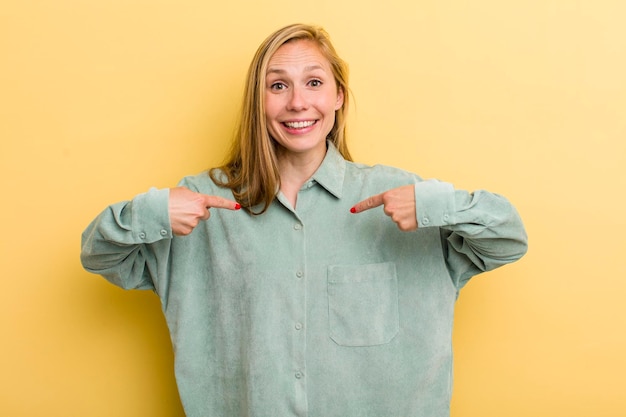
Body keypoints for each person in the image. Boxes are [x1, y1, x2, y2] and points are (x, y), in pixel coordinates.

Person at [81, 23, 528, 417]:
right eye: (278, 86)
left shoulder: (401, 197)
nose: (298, 103)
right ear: (258, 100)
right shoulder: (203, 202)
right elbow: (99, 256)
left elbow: (508, 239)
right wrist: (154, 211)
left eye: (313, 82)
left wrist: (435, 206)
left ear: (337, 97)